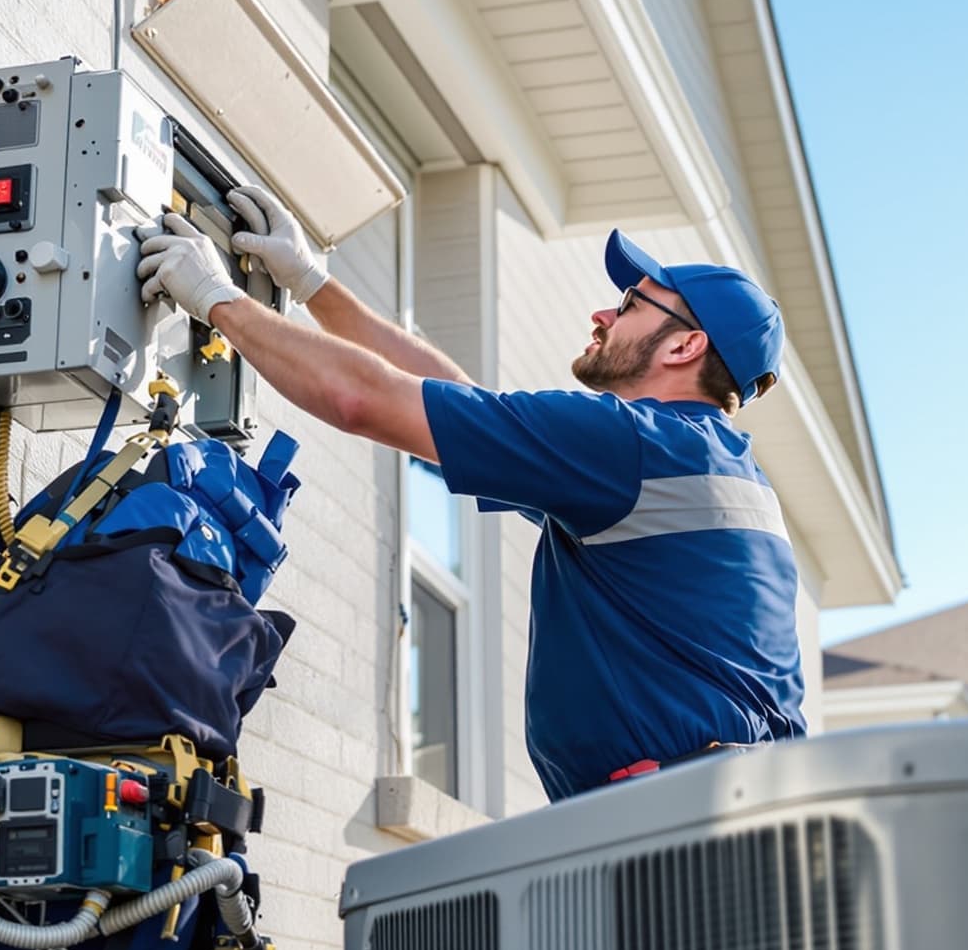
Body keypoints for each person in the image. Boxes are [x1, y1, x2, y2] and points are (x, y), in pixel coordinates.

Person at [137, 188, 806, 801]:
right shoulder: (709, 463)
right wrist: (312, 284)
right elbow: (463, 402)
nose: (605, 312)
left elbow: (361, 399)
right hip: (730, 810)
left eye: (632, 305)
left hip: (677, 821)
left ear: (686, 345)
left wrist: (217, 300)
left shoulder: (634, 447)